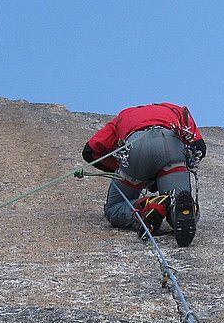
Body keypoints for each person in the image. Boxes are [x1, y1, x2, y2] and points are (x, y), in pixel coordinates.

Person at [82, 102, 206, 247]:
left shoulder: (123, 116)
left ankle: (149, 206)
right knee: (179, 203)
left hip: (136, 148)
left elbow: (90, 150)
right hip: (172, 145)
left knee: (114, 208)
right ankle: (180, 208)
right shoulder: (175, 109)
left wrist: (120, 168)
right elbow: (199, 145)